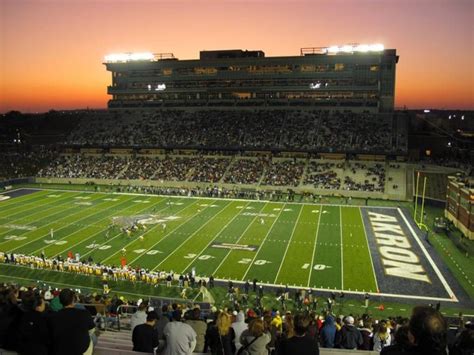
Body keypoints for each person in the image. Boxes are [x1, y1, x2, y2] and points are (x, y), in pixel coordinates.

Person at [49, 288, 95, 355]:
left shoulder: (53, 317)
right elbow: (92, 330)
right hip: (80, 350)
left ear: (60, 301)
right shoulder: (84, 313)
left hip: (60, 349)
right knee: (93, 338)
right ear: (73, 299)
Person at [17, 290, 49, 355]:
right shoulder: (42, 318)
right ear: (38, 306)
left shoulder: (25, 315)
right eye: (43, 303)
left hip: (24, 348)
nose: (44, 305)